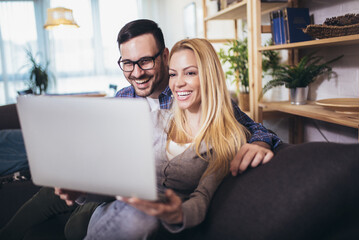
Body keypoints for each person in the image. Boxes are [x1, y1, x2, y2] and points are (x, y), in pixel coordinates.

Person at [0, 19, 281, 240]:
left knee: (75, 228)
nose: (136, 72)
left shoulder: (192, 102)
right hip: (109, 182)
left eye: (145, 61)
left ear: (164, 56)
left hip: (132, 199)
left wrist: (262, 143)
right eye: (127, 63)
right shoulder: (123, 98)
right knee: (49, 189)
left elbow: (246, 129)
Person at [82, 37, 252, 239]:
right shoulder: (155, 120)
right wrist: (81, 193)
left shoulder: (228, 139)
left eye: (190, 73)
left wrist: (177, 213)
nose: (178, 83)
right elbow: (119, 183)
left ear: (209, 77)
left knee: (143, 217)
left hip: (154, 225)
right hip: (116, 215)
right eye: (173, 74)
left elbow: (202, 199)